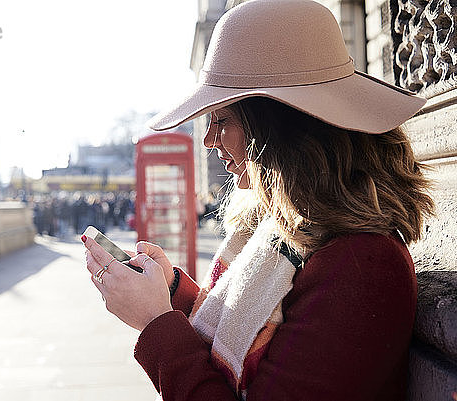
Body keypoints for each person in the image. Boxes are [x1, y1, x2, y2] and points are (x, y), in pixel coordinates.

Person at [82, 0, 434, 400]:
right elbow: (252, 326)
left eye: (222, 120)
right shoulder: (288, 228)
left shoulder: (361, 266)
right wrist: (172, 291)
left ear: (279, 129)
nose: (210, 140)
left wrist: (156, 322)